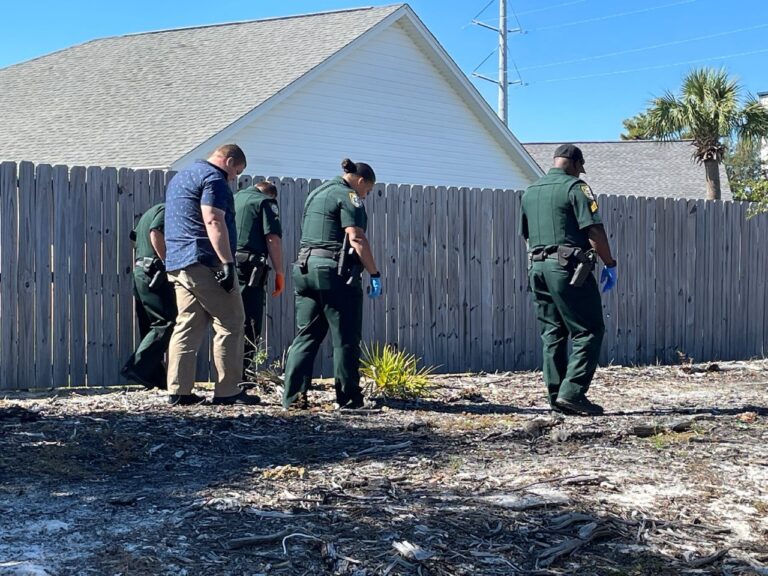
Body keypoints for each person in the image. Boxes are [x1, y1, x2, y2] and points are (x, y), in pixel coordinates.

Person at [520, 144, 617, 416]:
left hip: (537, 267)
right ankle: (572, 393)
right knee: (589, 329)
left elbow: (526, 234)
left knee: (553, 333)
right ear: (574, 164)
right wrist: (609, 263)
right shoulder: (576, 188)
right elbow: (594, 230)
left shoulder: (530, 191)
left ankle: (556, 399)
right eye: (580, 168)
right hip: (567, 268)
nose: (579, 172)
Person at [282, 158, 382, 410]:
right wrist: (374, 273)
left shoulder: (316, 193)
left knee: (307, 335)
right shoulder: (348, 196)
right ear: (361, 181)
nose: (366, 195)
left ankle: (293, 398)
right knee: (345, 337)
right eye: (368, 190)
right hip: (332, 273)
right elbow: (356, 237)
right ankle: (349, 400)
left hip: (304, 269)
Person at [164, 144, 260, 406]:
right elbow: (213, 219)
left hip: (179, 260)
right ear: (229, 162)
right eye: (237, 172)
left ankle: (179, 390)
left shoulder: (182, 177)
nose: (234, 178)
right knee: (231, 321)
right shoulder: (214, 178)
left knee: (188, 323)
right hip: (205, 261)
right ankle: (228, 391)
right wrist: (227, 262)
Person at [121, 203, 177, 389]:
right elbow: (156, 231)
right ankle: (139, 367)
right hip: (154, 271)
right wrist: (167, 262)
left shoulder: (149, 212)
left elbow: (135, 237)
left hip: (142, 270)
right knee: (166, 321)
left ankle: (154, 375)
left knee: (149, 324)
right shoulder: (168, 209)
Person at [234, 180, 285, 378]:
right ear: (271, 195)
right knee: (251, 321)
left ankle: (228, 375)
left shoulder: (234, 198)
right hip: (249, 269)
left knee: (228, 320)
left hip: (227, 265)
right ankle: (243, 374)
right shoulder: (265, 202)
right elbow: (273, 239)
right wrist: (279, 272)